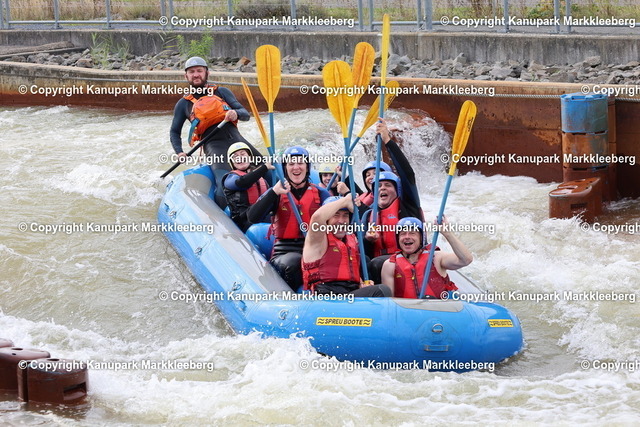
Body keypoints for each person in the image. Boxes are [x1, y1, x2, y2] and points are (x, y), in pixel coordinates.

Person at [169, 56, 267, 207]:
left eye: (199, 71)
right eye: (192, 72)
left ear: (207, 73)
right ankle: (226, 217)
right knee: (223, 185)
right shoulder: (183, 104)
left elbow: (245, 114)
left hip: (238, 143)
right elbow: (174, 132)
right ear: (186, 76)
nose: (196, 74)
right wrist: (179, 152)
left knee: (267, 169)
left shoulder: (222, 92)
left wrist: (235, 113)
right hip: (214, 148)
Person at [247, 146, 331, 291]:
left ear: (307, 167)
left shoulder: (321, 193)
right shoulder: (276, 192)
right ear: (285, 168)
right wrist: (274, 192)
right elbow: (252, 217)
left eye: (300, 163)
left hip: (315, 249)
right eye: (291, 163)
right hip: (285, 252)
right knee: (294, 262)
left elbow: (338, 222)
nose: (296, 167)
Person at [361, 120, 424, 283]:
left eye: (388, 185)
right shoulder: (368, 215)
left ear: (397, 190)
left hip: (407, 261)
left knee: (376, 263)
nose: (382, 188)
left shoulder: (407, 205)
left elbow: (407, 174)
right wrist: (367, 240)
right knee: (365, 261)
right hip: (377, 269)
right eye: (378, 186)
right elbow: (363, 250)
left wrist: (387, 141)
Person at [302, 196, 391, 297]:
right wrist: (346, 200)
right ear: (327, 219)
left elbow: (350, 274)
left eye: (345, 215)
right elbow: (317, 217)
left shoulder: (351, 240)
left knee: (376, 289)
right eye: (336, 215)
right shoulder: (317, 238)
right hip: (325, 296)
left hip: (347, 295)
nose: (341, 221)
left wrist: (362, 285)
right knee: (381, 290)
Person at [381, 217, 473, 298]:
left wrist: (447, 233)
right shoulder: (389, 265)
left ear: (421, 238)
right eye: (403, 234)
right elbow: (389, 302)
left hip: (439, 310)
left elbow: (466, 260)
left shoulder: (436, 257)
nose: (407, 237)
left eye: (412, 233)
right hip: (406, 311)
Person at [222, 142, 274, 232]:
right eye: (235, 156)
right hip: (246, 222)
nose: (240, 157)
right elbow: (243, 183)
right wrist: (264, 167)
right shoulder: (229, 179)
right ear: (232, 162)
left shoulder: (261, 179)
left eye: (243, 154)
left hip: (264, 217)